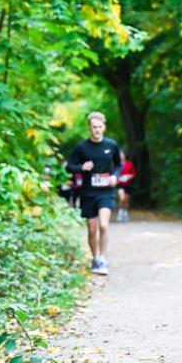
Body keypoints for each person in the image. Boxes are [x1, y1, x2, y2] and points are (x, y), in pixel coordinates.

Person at [66, 112, 122, 275]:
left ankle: (103, 258)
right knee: (92, 229)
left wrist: (114, 176)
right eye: (94, 127)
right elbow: (69, 166)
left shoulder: (111, 145)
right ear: (89, 128)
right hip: (88, 193)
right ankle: (95, 257)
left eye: (99, 127)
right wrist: (81, 168)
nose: (97, 130)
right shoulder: (82, 147)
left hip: (106, 192)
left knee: (104, 225)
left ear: (103, 127)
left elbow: (119, 165)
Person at [116, 150, 136, 223]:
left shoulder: (129, 164)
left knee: (126, 199)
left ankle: (125, 212)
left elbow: (133, 174)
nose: (121, 156)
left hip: (128, 184)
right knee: (121, 198)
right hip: (120, 184)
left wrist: (128, 177)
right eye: (120, 155)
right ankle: (120, 212)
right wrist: (118, 178)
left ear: (125, 155)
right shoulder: (116, 164)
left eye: (122, 155)